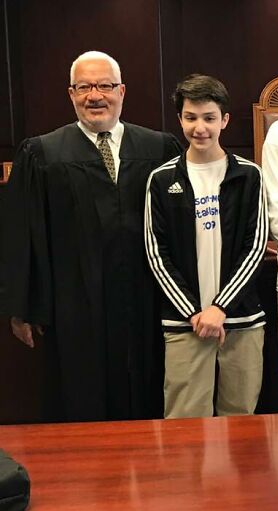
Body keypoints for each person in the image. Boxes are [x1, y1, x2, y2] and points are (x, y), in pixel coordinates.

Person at [0, 50, 182, 422]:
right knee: (81, 396)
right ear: (71, 94)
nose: (94, 95)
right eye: (84, 87)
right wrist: (22, 306)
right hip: (75, 304)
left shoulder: (158, 148)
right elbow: (21, 232)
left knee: (150, 390)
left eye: (104, 86)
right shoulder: (43, 153)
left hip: (145, 298)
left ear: (122, 91)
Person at [144, 74, 267, 418]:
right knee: (184, 429)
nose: (200, 127)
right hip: (187, 324)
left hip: (241, 321)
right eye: (191, 117)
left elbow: (255, 247)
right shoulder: (162, 179)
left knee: (241, 423)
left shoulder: (249, 175)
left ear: (224, 120)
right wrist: (196, 313)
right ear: (180, 119)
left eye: (209, 118)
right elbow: (157, 254)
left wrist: (220, 308)